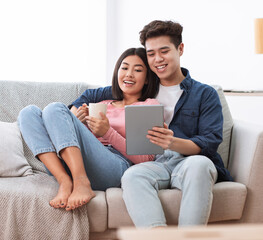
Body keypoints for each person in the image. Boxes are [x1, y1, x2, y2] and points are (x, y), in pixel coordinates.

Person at [94, 20, 234, 227]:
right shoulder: (143, 85)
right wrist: (75, 108)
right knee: (132, 175)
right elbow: (93, 93)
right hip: (153, 164)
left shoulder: (204, 94)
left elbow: (210, 142)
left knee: (201, 164)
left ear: (180, 49)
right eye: (151, 54)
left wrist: (172, 142)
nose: (157, 59)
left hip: (190, 161)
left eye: (164, 51)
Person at [17, 47, 159, 211]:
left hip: (114, 166)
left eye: (138, 70)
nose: (129, 74)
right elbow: (84, 141)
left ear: (147, 78)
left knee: (55, 108)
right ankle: (64, 180)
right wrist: (76, 123)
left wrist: (107, 132)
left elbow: (147, 159)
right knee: (28, 113)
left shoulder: (148, 106)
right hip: (74, 163)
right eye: (124, 68)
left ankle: (81, 182)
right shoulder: (102, 104)